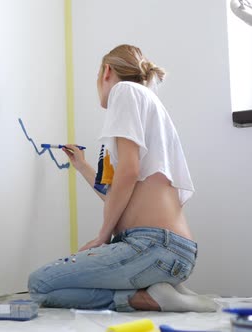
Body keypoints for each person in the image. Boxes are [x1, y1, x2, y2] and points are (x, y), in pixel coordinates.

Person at [27, 44, 217, 312]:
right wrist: (82, 166)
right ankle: (162, 288)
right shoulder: (146, 102)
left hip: (150, 245)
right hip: (171, 250)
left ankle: (143, 298)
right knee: (53, 283)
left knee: (40, 284)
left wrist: (102, 236)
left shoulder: (124, 91)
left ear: (107, 72)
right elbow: (118, 191)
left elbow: (128, 171)